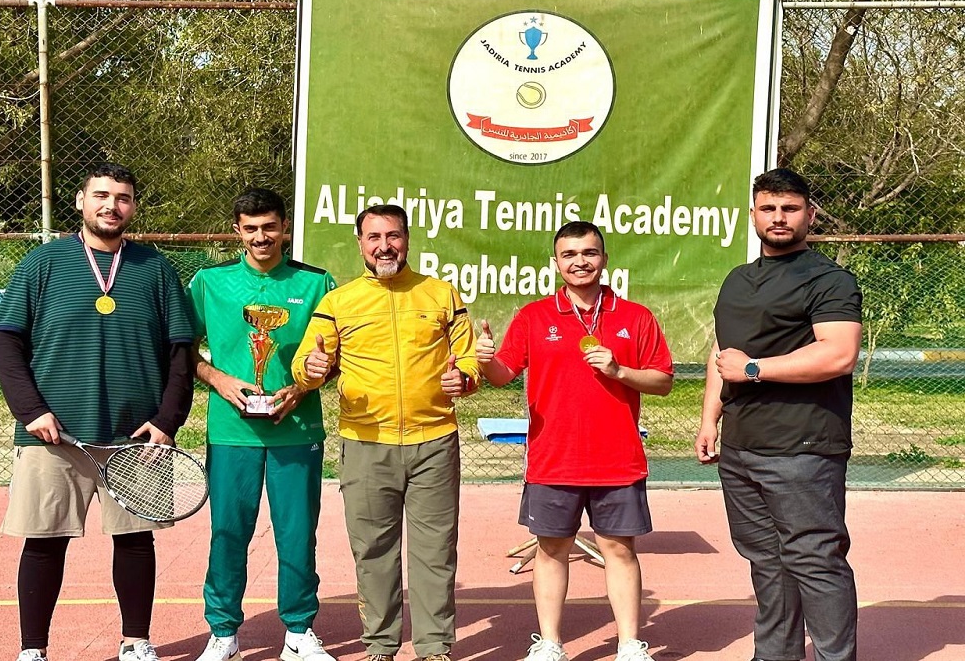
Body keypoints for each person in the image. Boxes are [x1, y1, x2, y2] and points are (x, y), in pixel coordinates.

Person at [0, 162, 196, 661]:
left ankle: (136, 642)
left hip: (136, 438)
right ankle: (33, 649)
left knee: (134, 541)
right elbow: (5, 340)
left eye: (122, 198)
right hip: (53, 434)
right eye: (101, 195)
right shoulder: (42, 264)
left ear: (133, 207)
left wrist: (167, 420)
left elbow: (181, 352)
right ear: (81, 202)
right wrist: (30, 411)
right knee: (43, 543)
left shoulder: (155, 269)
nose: (111, 205)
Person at [476, 221, 674, 661]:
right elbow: (503, 375)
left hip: (617, 459)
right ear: (556, 263)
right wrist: (485, 361)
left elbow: (662, 381)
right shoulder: (533, 316)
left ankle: (629, 645)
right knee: (551, 550)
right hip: (553, 458)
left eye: (588, 253)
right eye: (569, 255)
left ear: (604, 258)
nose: (579, 262)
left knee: (620, 551)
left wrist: (619, 371)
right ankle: (550, 644)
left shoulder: (635, 317)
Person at [291, 204, 479, 661]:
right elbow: (305, 364)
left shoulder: (441, 294)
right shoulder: (338, 302)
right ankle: (380, 645)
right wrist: (311, 369)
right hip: (365, 443)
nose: (384, 246)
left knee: (436, 550)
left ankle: (435, 647)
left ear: (408, 239)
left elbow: (468, 359)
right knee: (373, 551)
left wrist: (466, 379)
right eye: (373, 237)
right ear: (359, 243)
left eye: (392, 236)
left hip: (434, 440)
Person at [694, 168, 862, 661]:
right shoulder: (738, 279)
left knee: (815, 561)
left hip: (803, 449)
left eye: (790, 208)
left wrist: (754, 369)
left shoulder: (828, 279)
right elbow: (722, 353)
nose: (779, 217)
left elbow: (837, 354)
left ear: (809, 214)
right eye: (768, 208)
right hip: (742, 451)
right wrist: (710, 417)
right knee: (766, 563)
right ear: (753, 216)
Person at [185, 188, 337, 661]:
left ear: (284, 228)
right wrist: (219, 379)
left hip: (298, 428)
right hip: (232, 432)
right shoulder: (209, 282)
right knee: (229, 529)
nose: (261, 236)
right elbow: (183, 351)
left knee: (297, 530)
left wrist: (304, 387)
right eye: (250, 228)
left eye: (269, 226)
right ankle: (224, 632)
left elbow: (335, 357)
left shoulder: (318, 283)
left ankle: (297, 630)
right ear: (237, 231)